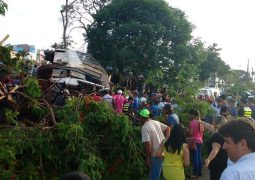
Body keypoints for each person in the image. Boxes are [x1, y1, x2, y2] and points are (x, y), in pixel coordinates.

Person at [139, 109, 170, 180]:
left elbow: (148, 144)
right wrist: (167, 140)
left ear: (142, 117)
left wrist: (148, 157)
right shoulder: (155, 122)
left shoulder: (145, 127)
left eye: (140, 117)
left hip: (155, 154)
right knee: (161, 172)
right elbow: (168, 128)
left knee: (154, 175)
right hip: (163, 151)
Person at [198, 115, 228, 180]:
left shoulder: (217, 136)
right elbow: (210, 127)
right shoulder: (224, 132)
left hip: (217, 163)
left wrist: (209, 159)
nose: (212, 122)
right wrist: (200, 122)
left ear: (216, 123)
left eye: (214, 120)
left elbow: (215, 149)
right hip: (224, 160)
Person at [187, 109, 204, 179]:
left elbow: (190, 133)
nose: (188, 115)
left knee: (195, 158)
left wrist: (186, 130)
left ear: (193, 115)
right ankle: (199, 172)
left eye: (189, 114)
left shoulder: (192, 123)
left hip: (194, 142)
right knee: (199, 157)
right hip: (200, 141)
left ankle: (195, 174)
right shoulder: (201, 122)